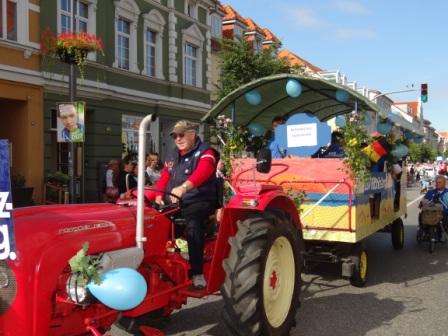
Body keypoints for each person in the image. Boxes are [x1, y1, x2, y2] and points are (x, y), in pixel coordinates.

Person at [153, 120, 219, 289]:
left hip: (200, 199)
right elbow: (164, 178)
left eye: (182, 135)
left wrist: (184, 187)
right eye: (175, 136)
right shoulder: (172, 155)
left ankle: (197, 272)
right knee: (152, 221)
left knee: (193, 224)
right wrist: (159, 195)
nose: (178, 139)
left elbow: (204, 171)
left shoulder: (206, 152)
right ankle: (156, 268)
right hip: (175, 202)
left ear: (192, 134)